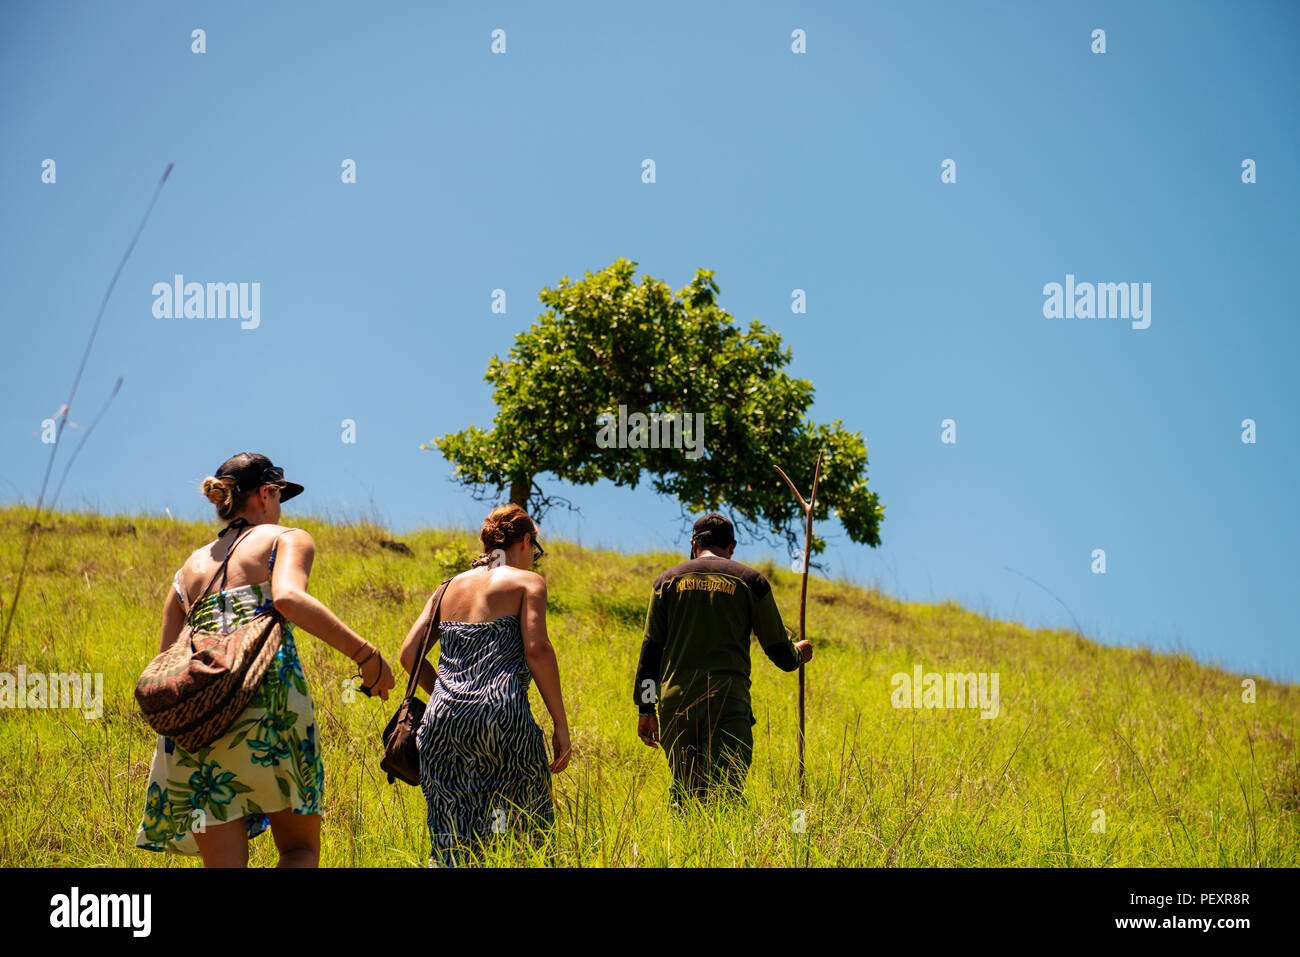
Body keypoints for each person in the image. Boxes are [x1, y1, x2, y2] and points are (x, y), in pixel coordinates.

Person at [135, 452, 395, 866]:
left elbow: (167, 658)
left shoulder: (187, 571)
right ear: (265, 493)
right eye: (278, 497)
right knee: (299, 850)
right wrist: (367, 656)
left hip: (195, 721)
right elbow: (289, 598)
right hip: (268, 704)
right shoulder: (285, 537)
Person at [400, 503, 570, 867]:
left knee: (452, 843)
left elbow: (408, 655)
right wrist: (560, 724)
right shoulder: (527, 581)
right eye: (534, 552)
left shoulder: (447, 588)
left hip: (441, 722)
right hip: (503, 716)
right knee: (527, 836)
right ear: (525, 542)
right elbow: (537, 649)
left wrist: (450, 695)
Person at [634, 512, 813, 804]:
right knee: (725, 795)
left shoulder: (665, 582)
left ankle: (684, 847)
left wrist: (645, 708)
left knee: (685, 793)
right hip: (727, 703)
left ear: (694, 543)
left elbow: (650, 652)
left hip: (676, 705)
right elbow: (780, 652)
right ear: (732, 546)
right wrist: (799, 653)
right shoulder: (751, 581)